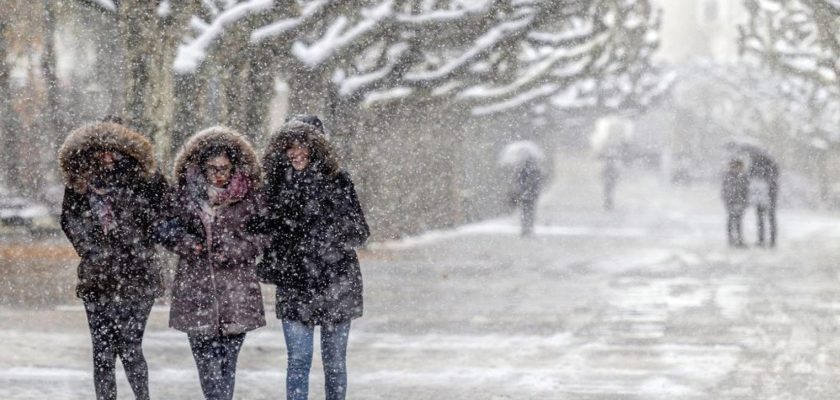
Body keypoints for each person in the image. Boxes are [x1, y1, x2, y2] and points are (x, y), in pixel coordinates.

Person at [254, 119, 369, 400]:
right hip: (294, 284)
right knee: (298, 361)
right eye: (289, 147)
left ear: (317, 147)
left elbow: (360, 232)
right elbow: (260, 229)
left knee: (334, 364)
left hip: (336, 283)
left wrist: (326, 227)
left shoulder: (338, 181)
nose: (295, 152)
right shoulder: (274, 186)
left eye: (302, 145)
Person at [58, 121, 168, 400]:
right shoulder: (80, 183)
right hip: (98, 278)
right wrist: (93, 250)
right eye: (101, 151)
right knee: (103, 352)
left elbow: (162, 216)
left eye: (114, 151)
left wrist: (137, 241)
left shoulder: (146, 179)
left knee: (131, 347)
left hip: (138, 276)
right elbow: (70, 220)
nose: (107, 158)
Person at [160, 126, 266, 400]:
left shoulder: (250, 197)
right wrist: (188, 244)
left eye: (225, 167)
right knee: (207, 364)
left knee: (227, 363)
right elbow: (164, 228)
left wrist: (238, 249)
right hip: (195, 291)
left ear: (234, 167)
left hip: (237, 292)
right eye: (212, 168)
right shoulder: (183, 196)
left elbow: (265, 234)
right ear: (201, 168)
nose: (219, 174)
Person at [510, 157, 542, 236]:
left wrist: (521, 190)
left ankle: (525, 229)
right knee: (530, 212)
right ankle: (529, 228)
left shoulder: (522, 170)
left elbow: (518, 182)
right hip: (532, 195)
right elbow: (538, 183)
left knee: (524, 212)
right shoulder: (536, 171)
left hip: (524, 195)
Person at [721, 159, 749, 248]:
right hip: (732, 202)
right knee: (731, 220)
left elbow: (746, 190)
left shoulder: (743, 177)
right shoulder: (729, 176)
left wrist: (745, 201)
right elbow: (726, 190)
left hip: (740, 202)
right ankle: (731, 239)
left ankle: (739, 239)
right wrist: (728, 201)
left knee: (738, 222)